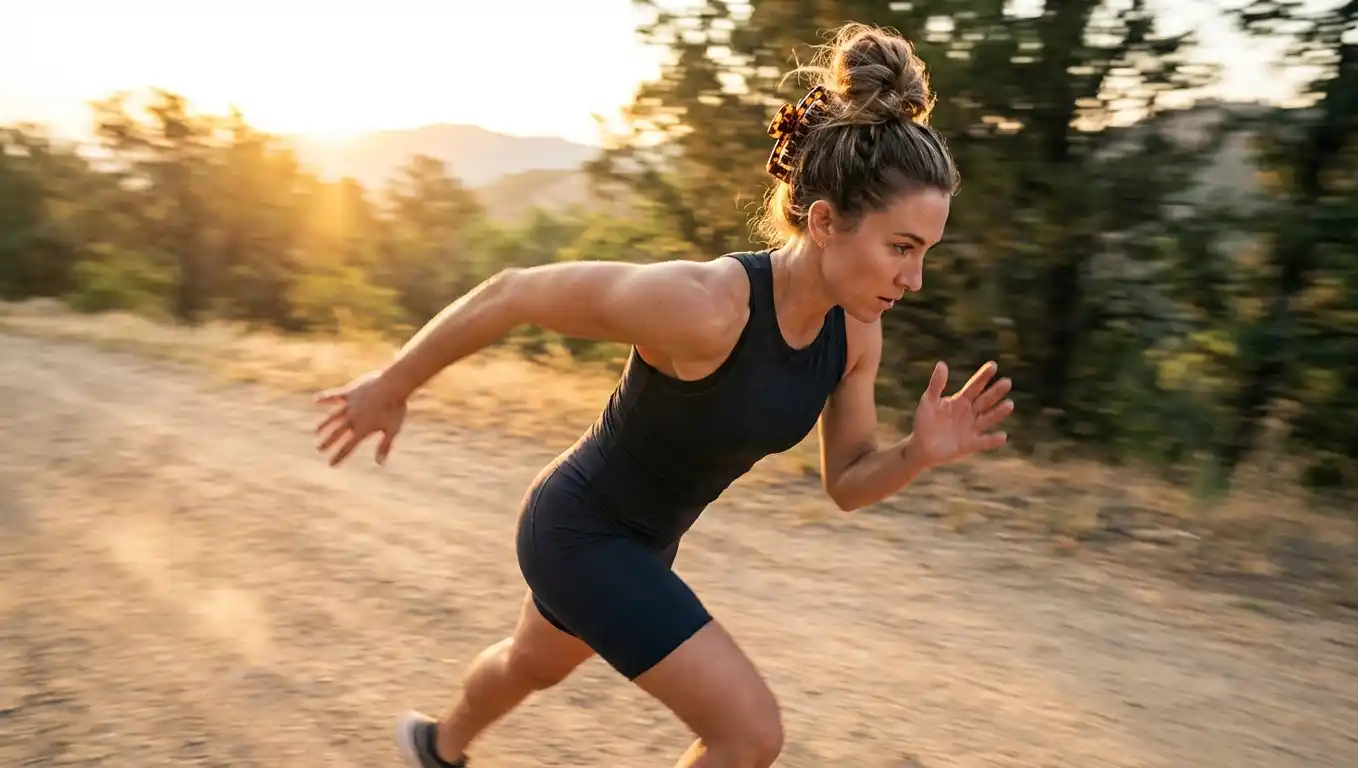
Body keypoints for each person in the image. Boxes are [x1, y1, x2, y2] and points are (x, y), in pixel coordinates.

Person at [313, 21, 1014, 768]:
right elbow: (515, 293)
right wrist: (393, 384)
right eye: (901, 249)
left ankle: (436, 745)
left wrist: (916, 453)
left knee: (533, 664)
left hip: (644, 546)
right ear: (823, 221)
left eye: (924, 253)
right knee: (749, 733)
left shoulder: (856, 338)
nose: (914, 279)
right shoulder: (706, 305)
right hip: (579, 530)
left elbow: (847, 481)